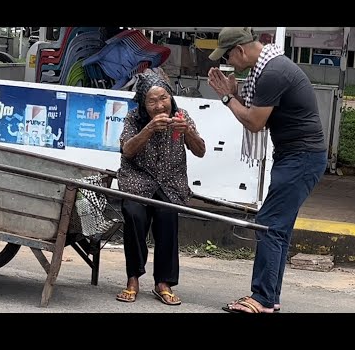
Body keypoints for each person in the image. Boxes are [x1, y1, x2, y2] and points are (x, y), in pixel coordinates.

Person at [207, 27, 327, 313]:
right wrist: (236, 94)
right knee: (278, 228)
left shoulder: (273, 72)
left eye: (227, 57)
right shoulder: (268, 68)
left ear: (239, 50)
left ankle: (261, 298)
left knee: (269, 224)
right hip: (295, 156)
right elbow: (256, 110)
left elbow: (254, 122)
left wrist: (228, 98)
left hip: (301, 158)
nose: (227, 64)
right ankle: (269, 297)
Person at [116, 71, 206, 304]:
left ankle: (162, 282)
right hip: (137, 181)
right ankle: (133, 278)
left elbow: (200, 150)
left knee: (168, 214)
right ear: (144, 104)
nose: (159, 105)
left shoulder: (181, 116)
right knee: (134, 214)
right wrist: (148, 130)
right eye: (152, 101)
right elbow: (127, 150)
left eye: (163, 98)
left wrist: (188, 132)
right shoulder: (133, 119)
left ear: (171, 97)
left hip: (170, 183)